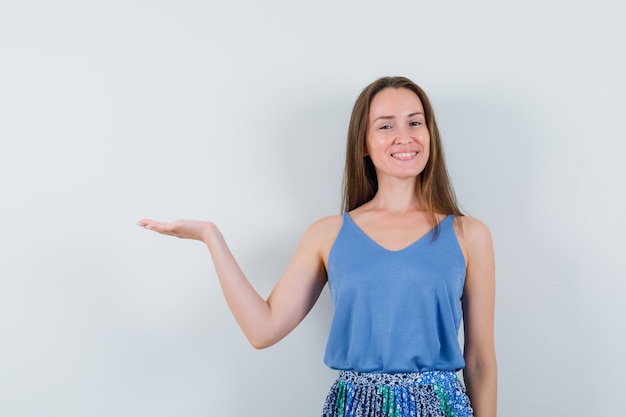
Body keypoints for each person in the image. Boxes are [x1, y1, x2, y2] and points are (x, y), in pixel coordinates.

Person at [138, 76, 497, 417]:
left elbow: (480, 358)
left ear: (429, 134)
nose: (404, 137)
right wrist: (211, 238)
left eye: (414, 123)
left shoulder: (469, 235)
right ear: (363, 144)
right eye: (386, 126)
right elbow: (262, 330)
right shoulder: (328, 235)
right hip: (355, 407)